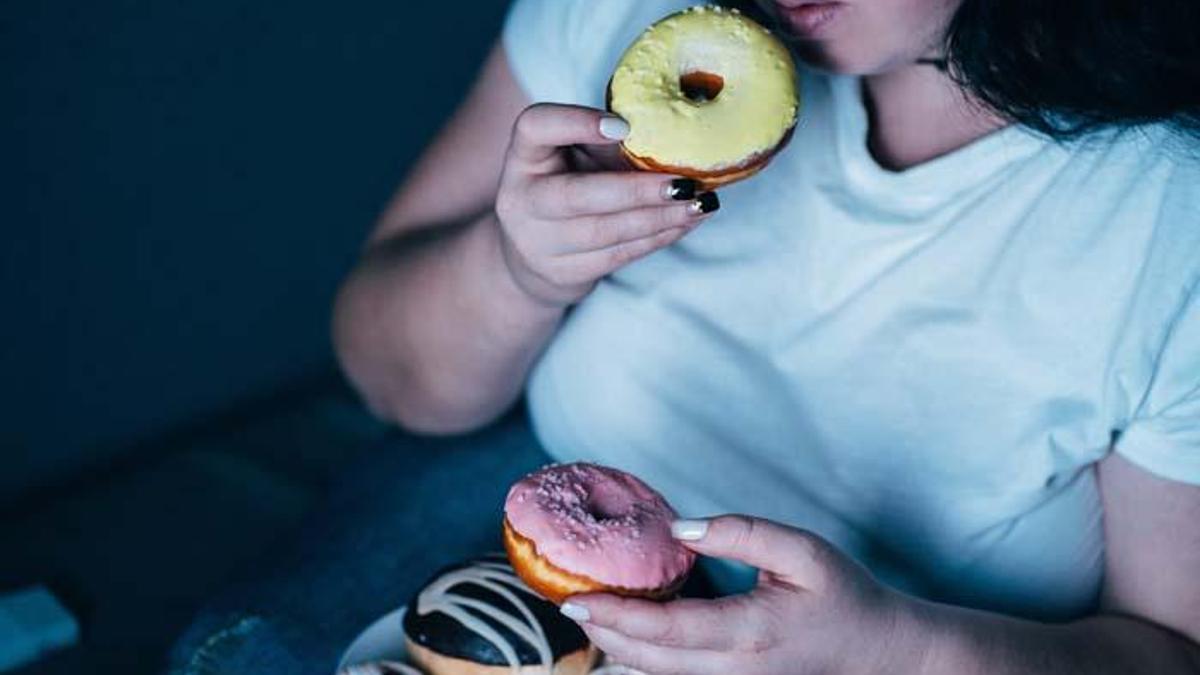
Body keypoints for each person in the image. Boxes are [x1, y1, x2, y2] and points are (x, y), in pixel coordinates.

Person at [332, 0, 1200, 671]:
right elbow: (393, 383)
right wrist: (519, 269)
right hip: (504, 521)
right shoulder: (624, 20)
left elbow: (1171, 651)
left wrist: (895, 653)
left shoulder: (1169, 211)